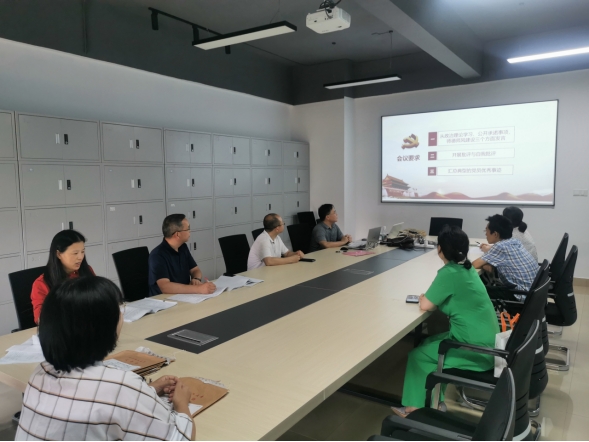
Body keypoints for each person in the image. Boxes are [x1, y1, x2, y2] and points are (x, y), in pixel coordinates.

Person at [16, 276, 195, 441]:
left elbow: (94, 400)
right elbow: (182, 438)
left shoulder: (40, 372)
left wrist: (148, 391)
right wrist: (182, 404)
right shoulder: (120, 385)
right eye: (119, 310)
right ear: (103, 327)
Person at [392, 225, 498, 417]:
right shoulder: (467, 268)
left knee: (417, 356)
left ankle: (414, 409)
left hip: (475, 351)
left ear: (440, 249)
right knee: (427, 341)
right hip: (487, 343)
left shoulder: (449, 273)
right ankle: (434, 400)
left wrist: (425, 299)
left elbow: (426, 305)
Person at [31, 230, 95, 324]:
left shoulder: (87, 270)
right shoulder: (42, 283)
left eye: (82, 251)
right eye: (75, 253)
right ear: (58, 254)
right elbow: (41, 319)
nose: (80, 257)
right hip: (64, 328)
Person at [472, 214, 538, 301]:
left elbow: (474, 265)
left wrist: (484, 264)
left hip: (520, 295)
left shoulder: (500, 247)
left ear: (495, 234)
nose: (485, 234)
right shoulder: (515, 241)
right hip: (533, 293)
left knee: (476, 290)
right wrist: (487, 263)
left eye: (486, 230)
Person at [149, 214, 216, 297]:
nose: (190, 231)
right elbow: (165, 287)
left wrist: (196, 279)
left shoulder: (182, 247)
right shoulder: (157, 255)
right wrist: (198, 289)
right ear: (177, 234)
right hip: (164, 299)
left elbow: (195, 270)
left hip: (184, 296)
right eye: (188, 229)